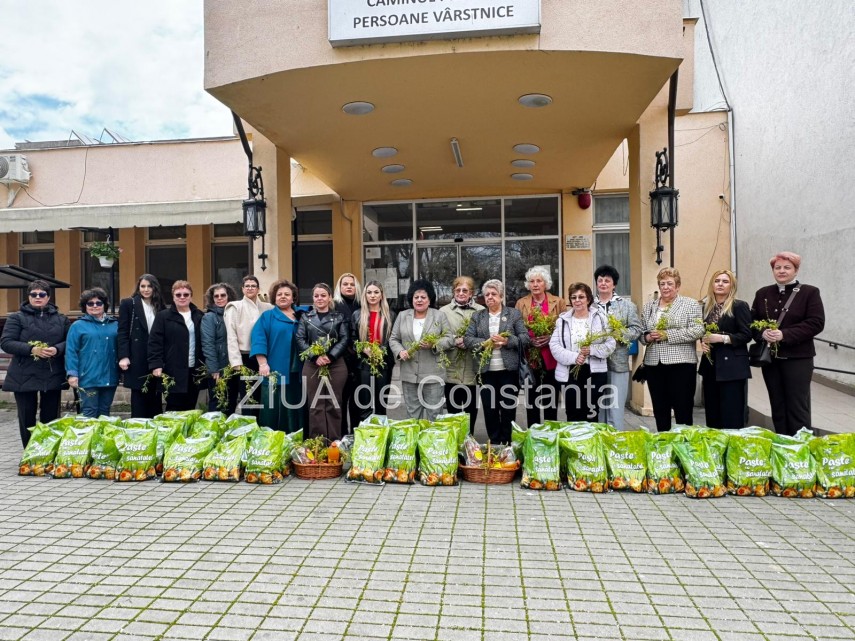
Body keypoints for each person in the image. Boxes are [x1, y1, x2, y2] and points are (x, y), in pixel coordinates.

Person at [750, 252, 825, 436]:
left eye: (787, 267)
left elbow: (816, 322)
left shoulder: (810, 292)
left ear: (796, 270)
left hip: (798, 358)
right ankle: (782, 444)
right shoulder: (763, 293)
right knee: (777, 404)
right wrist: (762, 333)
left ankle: (800, 447)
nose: (782, 271)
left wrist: (784, 334)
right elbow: (751, 322)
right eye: (778, 268)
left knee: (797, 405)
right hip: (772, 359)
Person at [1, 280, 70, 445]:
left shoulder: (61, 319)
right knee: (26, 416)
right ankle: (29, 453)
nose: (37, 297)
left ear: (48, 297)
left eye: (42, 294)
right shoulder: (16, 318)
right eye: (34, 294)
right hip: (23, 374)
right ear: (28, 296)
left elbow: (71, 341)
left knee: (51, 417)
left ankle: (46, 453)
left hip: (52, 373)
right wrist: (31, 350)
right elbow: (6, 342)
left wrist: (57, 349)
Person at [463, 279, 529, 443]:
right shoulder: (477, 316)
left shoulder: (513, 314)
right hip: (487, 373)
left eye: (493, 294)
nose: (490, 297)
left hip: (508, 372)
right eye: (487, 294)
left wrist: (507, 341)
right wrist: (486, 344)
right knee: (490, 409)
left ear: (501, 296)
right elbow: (468, 339)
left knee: (508, 409)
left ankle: (507, 443)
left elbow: (524, 338)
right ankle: (494, 443)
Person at [640, 268, 704, 431]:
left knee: (682, 408)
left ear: (677, 286)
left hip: (681, 364)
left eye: (670, 283)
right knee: (660, 408)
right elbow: (641, 332)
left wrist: (667, 334)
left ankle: (683, 445)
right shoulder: (649, 306)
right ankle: (663, 443)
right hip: (654, 363)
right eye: (662, 284)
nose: (666, 287)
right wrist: (647, 337)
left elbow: (698, 330)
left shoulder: (690, 304)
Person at [550, 283, 616, 422]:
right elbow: (554, 346)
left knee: (592, 412)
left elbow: (610, 344)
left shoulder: (600, 318)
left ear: (588, 299)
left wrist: (592, 350)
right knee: (573, 413)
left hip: (594, 372)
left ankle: (590, 442)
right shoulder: (562, 320)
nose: (577, 300)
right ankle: (574, 442)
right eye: (573, 297)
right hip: (570, 372)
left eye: (581, 297)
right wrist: (574, 357)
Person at [390, 280, 453, 421]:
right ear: (411, 299)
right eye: (416, 297)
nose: (419, 300)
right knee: (412, 415)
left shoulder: (439, 316)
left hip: (433, 375)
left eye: (423, 297)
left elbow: (449, 339)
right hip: (409, 374)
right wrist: (400, 351)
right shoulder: (402, 316)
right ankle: (415, 441)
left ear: (429, 299)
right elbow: (393, 339)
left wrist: (434, 344)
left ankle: (431, 443)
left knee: (434, 415)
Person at [295, 283, 351, 440]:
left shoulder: (339, 317)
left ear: (329, 298)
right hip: (312, 365)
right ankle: (318, 442)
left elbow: (344, 338)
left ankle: (334, 442)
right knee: (316, 405)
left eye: (323, 295)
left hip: (336, 365)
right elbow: (300, 338)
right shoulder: (306, 318)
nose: (320, 298)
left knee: (334, 403)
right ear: (313, 298)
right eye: (316, 296)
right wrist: (315, 356)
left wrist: (331, 356)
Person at [698, 270, 752, 429]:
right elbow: (702, 332)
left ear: (732, 286)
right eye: (717, 281)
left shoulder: (739, 306)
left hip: (732, 368)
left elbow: (747, 334)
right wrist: (703, 341)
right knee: (712, 414)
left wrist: (722, 338)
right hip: (710, 366)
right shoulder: (706, 307)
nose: (720, 284)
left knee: (732, 415)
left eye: (725, 281)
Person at [251, 279, 306, 432]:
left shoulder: (302, 315)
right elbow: (258, 339)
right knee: (273, 407)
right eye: (279, 294)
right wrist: (262, 363)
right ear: (274, 297)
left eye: (287, 294)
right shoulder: (267, 317)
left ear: (293, 297)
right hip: (275, 369)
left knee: (297, 405)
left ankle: (296, 438)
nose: (283, 296)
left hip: (299, 371)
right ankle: (272, 440)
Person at [515, 266, 567, 427]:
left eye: (539, 281)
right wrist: (529, 340)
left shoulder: (558, 302)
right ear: (528, 284)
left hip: (551, 357)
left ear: (546, 284)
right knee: (532, 399)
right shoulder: (521, 303)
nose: (535, 284)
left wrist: (551, 338)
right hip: (530, 358)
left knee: (551, 398)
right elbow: (516, 328)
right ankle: (534, 433)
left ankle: (551, 433)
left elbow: (565, 328)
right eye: (532, 281)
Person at [593, 265, 642, 430]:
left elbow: (636, 330)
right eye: (600, 280)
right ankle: (599, 442)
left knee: (615, 406)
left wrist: (618, 333)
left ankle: (615, 442)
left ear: (614, 284)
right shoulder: (590, 305)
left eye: (607, 280)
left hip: (618, 361)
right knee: (598, 405)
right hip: (594, 362)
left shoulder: (627, 305)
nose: (603, 283)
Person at [148, 281, 205, 412]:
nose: (182, 297)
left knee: (191, 407)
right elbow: (155, 342)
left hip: (193, 370)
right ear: (173, 297)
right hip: (172, 370)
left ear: (191, 296)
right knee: (174, 407)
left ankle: (187, 432)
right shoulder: (163, 316)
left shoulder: (199, 315)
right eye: (178, 294)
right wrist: (156, 364)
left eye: (186, 294)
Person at [117, 274, 166, 418]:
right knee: (138, 394)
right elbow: (122, 332)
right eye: (142, 286)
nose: (146, 289)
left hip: (155, 355)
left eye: (149, 286)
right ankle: (138, 429)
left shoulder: (160, 306)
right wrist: (123, 356)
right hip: (137, 354)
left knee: (155, 394)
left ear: (155, 288)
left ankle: (154, 429)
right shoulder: (128, 304)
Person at [65, 288, 118, 417]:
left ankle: (102, 437)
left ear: (104, 305)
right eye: (90, 303)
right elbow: (71, 351)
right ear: (85, 306)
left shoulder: (115, 324)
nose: (95, 306)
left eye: (98, 303)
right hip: (88, 377)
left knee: (105, 413)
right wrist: (72, 374)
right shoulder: (78, 326)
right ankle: (89, 437)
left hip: (109, 376)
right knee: (89, 412)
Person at [440, 276, 484, 430]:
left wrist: (470, 341)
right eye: (457, 290)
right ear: (453, 292)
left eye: (465, 290)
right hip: (451, 369)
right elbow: (438, 337)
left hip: (473, 369)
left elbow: (486, 336)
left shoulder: (481, 311)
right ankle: (455, 446)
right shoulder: (443, 312)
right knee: (453, 413)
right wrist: (454, 340)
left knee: (470, 412)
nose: (461, 293)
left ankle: (469, 444)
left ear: (471, 293)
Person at [224, 275, 273, 413]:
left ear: (258, 289)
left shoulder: (268, 307)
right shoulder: (234, 307)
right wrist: (236, 362)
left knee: (264, 396)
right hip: (245, 357)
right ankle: (249, 428)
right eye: (247, 286)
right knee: (249, 398)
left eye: (253, 286)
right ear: (242, 289)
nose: (250, 288)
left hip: (265, 356)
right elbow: (231, 336)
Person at [351, 279, 396, 420]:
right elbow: (352, 339)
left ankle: (381, 433)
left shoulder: (390, 315)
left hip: (383, 363)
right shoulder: (357, 315)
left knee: (381, 402)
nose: (372, 295)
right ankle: (366, 433)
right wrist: (363, 348)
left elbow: (393, 338)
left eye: (376, 292)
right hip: (363, 364)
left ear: (381, 295)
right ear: (365, 295)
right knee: (364, 401)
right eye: (369, 292)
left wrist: (381, 351)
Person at [201, 282, 239, 413]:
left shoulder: (234, 314)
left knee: (231, 402)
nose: (220, 298)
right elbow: (208, 344)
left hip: (234, 367)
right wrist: (214, 369)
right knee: (218, 404)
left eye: (223, 295)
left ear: (229, 296)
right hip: (219, 368)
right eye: (216, 296)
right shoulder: (209, 317)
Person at [334, 272, 362, 434]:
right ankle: (342, 435)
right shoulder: (335, 305)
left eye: (352, 284)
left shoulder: (361, 305)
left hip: (359, 358)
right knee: (341, 399)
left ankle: (356, 435)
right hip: (340, 359)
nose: (349, 287)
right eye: (345, 284)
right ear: (340, 287)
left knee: (357, 400)